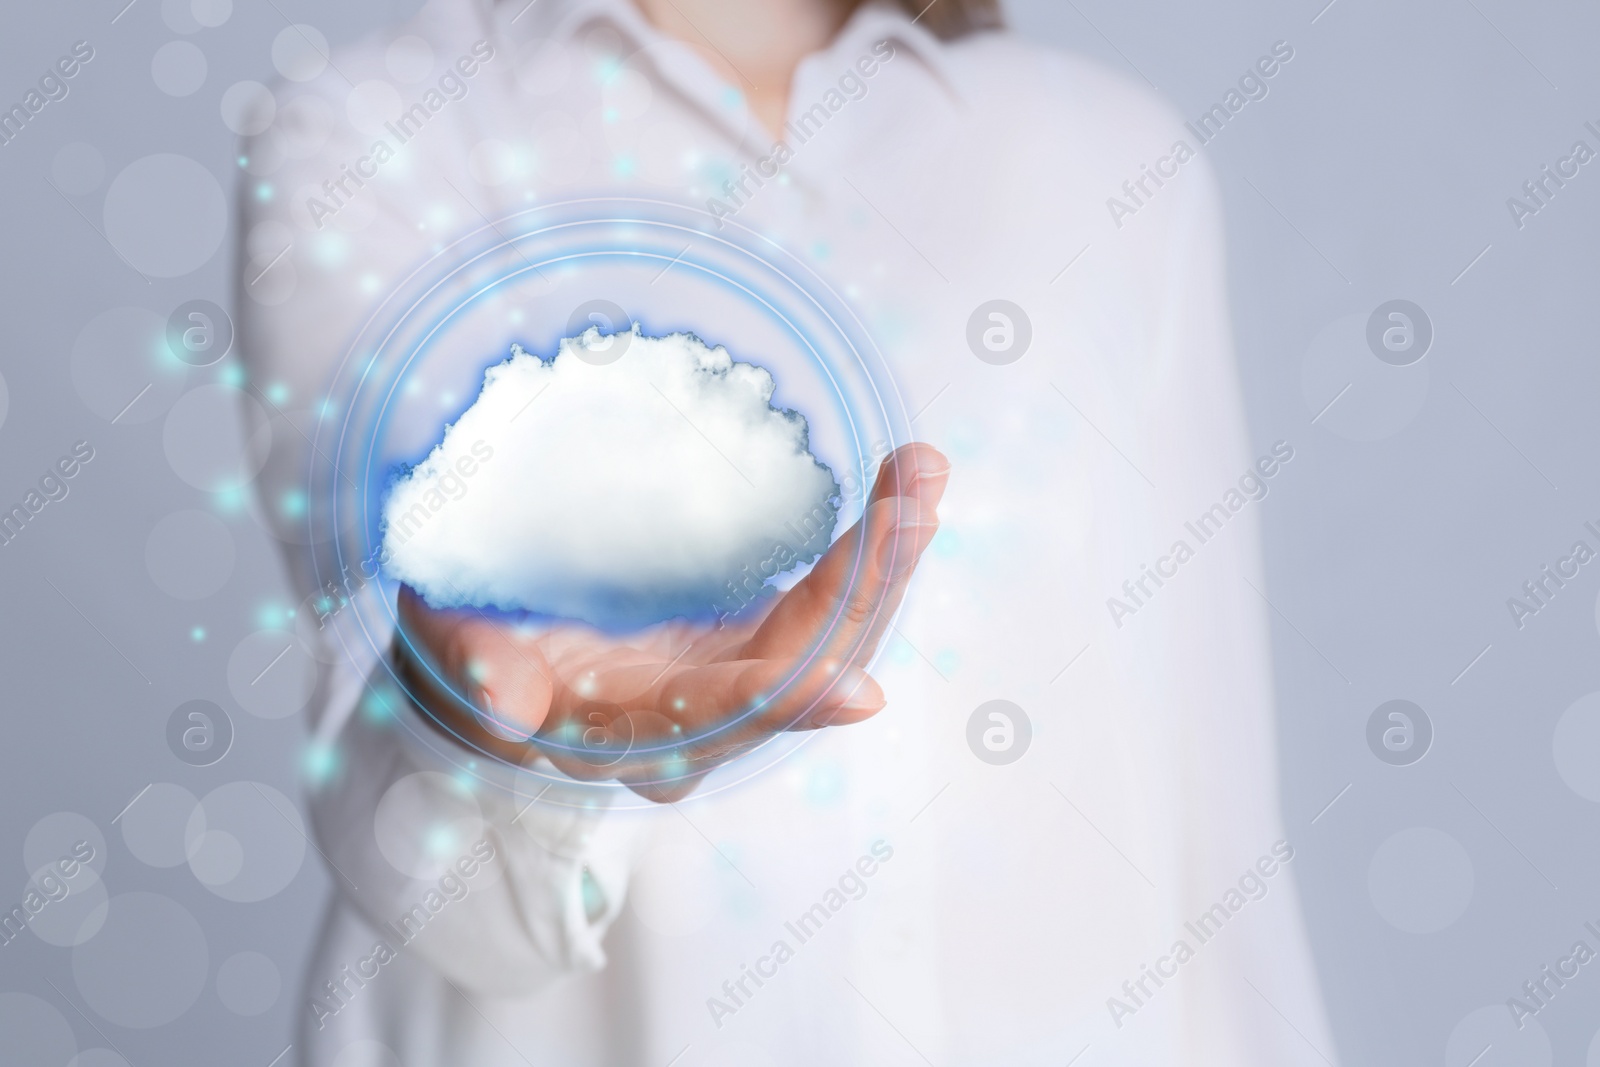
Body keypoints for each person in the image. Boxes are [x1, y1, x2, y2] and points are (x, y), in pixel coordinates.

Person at [237, 0, 1338, 1063]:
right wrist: (507, 740)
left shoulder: (1107, 162)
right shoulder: (376, 133)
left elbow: (1208, 801)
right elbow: (429, 877)